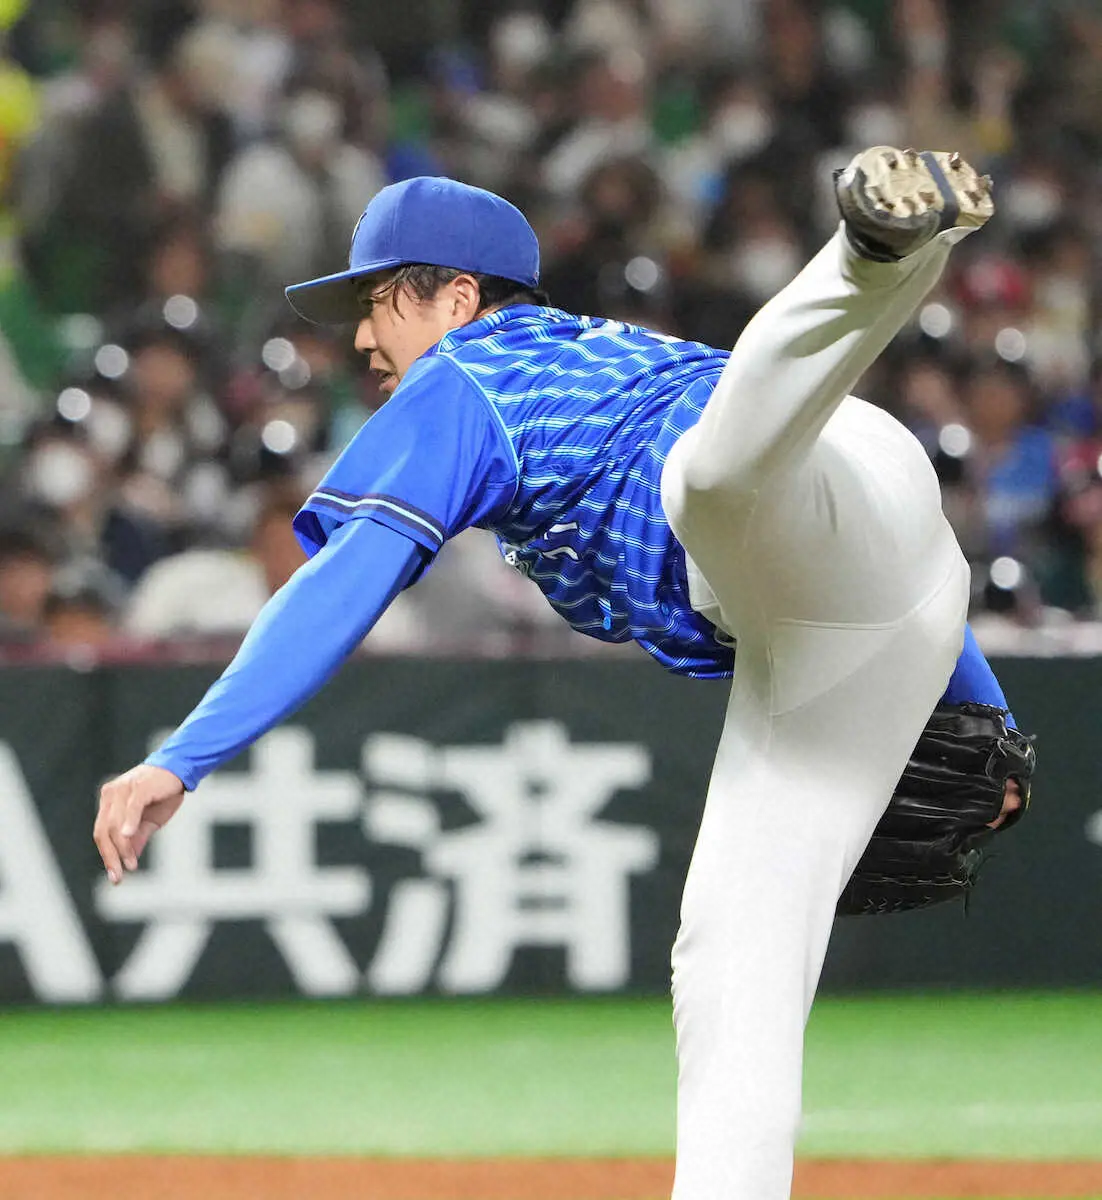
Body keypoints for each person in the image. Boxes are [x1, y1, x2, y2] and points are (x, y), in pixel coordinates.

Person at [95, 151, 1022, 1199]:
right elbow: (899, 574)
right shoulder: (616, 351)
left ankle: (876, 250)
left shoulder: (465, 377)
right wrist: (984, 716)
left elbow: (340, 584)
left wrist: (183, 756)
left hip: (774, 487)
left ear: (457, 299)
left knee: (714, 478)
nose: (360, 337)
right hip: (862, 559)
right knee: (730, 952)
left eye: (377, 301)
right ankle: (900, 252)